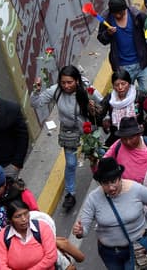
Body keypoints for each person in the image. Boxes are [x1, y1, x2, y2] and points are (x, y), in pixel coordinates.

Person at [31, 65, 99, 211]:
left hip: (87, 130)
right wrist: (36, 90)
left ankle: (102, 181)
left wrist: (96, 110)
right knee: (71, 163)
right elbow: (36, 103)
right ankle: (70, 193)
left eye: (70, 82)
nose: (66, 86)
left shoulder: (86, 89)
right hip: (68, 132)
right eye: (63, 83)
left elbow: (102, 101)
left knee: (95, 157)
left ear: (77, 81)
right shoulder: (56, 90)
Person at [73, 158, 147, 270]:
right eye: (105, 183)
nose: (111, 187)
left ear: (120, 178)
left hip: (136, 247)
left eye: (113, 181)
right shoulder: (93, 198)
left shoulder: (137, 189)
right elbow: (84, 225)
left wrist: (143, 221)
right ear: (100, 183)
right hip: (109, 252)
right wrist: (80, 232)